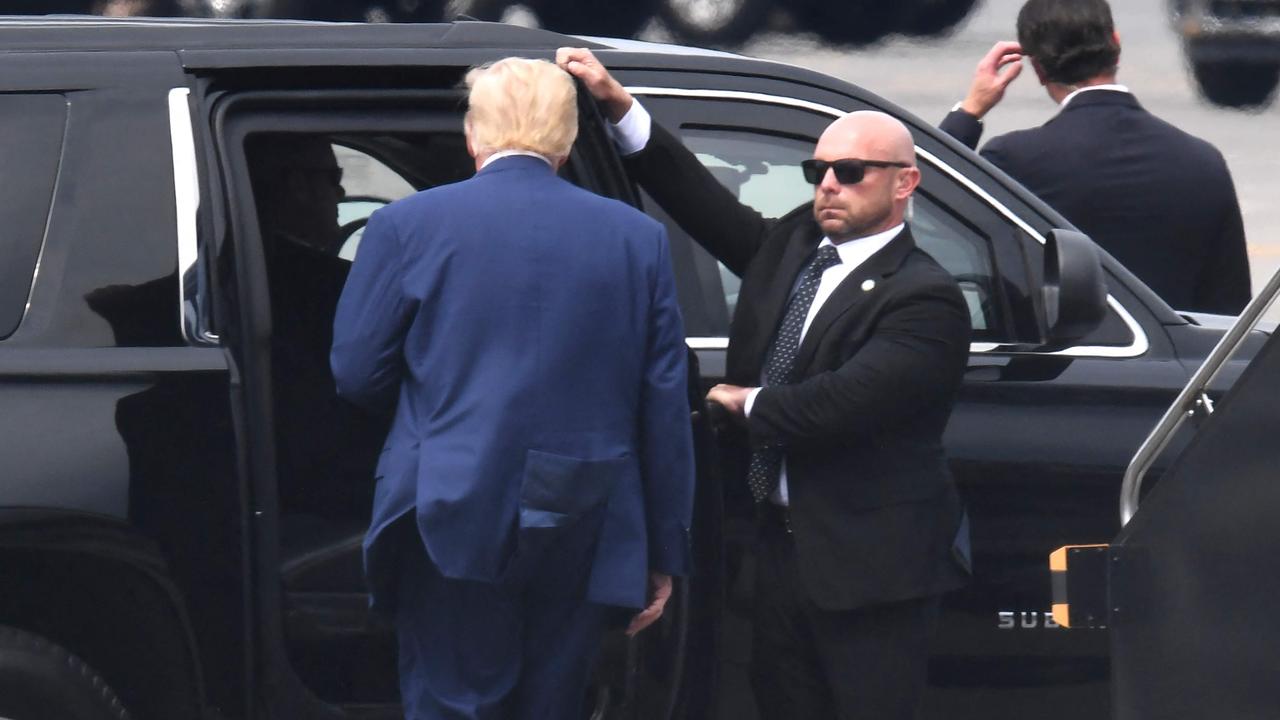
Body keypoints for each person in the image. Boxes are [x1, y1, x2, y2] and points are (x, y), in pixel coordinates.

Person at [560, 47, 971, 720]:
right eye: (818, 171)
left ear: (905, 184)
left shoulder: (923, 297)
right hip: (777, 553)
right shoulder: (795, 247)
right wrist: (616, 105)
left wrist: (738, 401)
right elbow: (697, 200)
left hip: (869, 571)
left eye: (850, 172)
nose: (828, 185)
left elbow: (841, 403)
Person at [330, 57, 695, 720]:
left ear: (474, 136)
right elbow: (662, 404)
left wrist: (434, 411)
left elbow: (357, 373)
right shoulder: (637, 239)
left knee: (450, 700)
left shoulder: (406, 227)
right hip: (587, 512)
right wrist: (664, 552)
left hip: (446, 499)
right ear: (567, 140)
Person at [939, 0, 1251, 315]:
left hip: (1062, 361)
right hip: (1183, 361)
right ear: (1115, 44)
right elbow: (1229, 305)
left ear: (1038, 69)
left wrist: (969, 111)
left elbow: (926, 206)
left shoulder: (1014, 159)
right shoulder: (1203, 162)